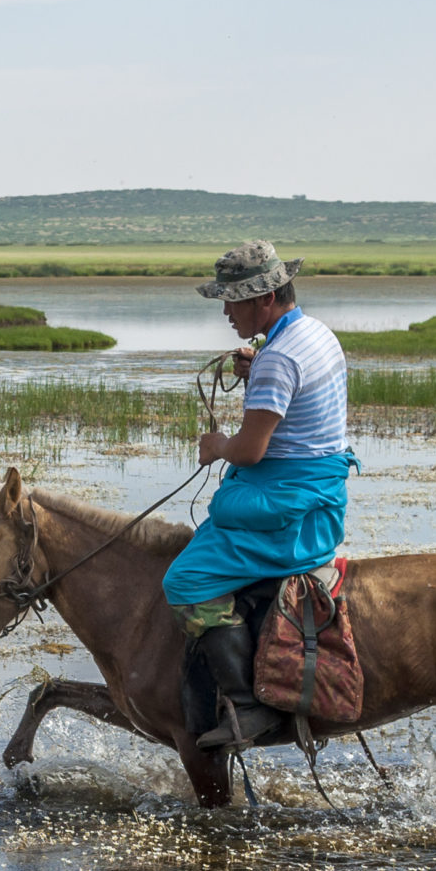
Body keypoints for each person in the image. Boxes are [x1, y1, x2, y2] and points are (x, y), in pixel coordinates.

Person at [163, 240, 354, 751]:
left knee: (184, 578)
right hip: (316, 492)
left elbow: (248, 451)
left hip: (288, 507)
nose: (225, 311)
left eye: (232, 300)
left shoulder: (278, 358)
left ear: (263, 299)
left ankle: (248, 706)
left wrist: (215, 445)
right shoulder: (314, 335)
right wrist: (260, 366)